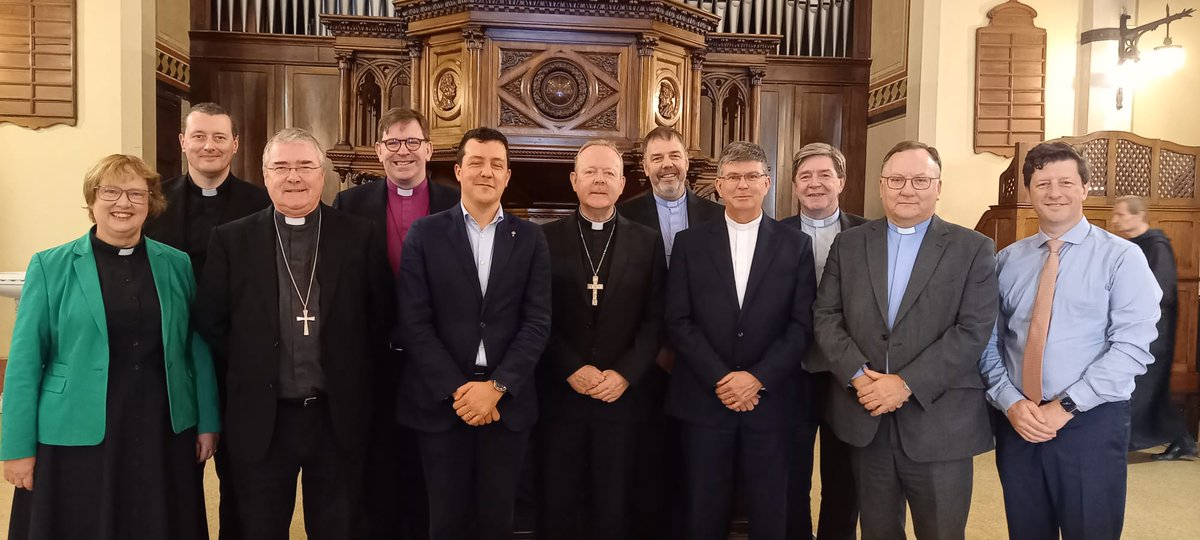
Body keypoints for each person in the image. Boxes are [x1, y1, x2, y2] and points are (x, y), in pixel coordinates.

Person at [1, 154, 221, 539]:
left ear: (151, 203)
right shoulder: (51, 266)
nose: (124, 203)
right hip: (75, 429)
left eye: (137, 194)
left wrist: (207, 422)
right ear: (92, 201)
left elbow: (194, 348)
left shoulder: (176, 264)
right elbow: (23, 362)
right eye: (112, 192)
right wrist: (16, 447)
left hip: (159, 424)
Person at [195, 127, 391, 539]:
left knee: (338, 527)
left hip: (335, 417)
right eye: (281, 167)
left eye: (305, 166)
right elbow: (213, 323)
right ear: (265, 175)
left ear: (323, 175)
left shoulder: (359, 236)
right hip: (263, 417)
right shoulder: (233, 240)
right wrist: (252, 364)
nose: (294, 177)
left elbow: (380, 320)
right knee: (258, 527)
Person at [816, 141, 997, 540]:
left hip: (940, 423)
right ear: (882, 186)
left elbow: (972, 331)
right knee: (878, 532)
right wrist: (860, 377)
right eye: (896, 179)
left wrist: (905, 383)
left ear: (938, 186)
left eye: (920, 179)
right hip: (866, 417)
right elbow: (826, 317)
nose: (907, 189)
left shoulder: (973, 248)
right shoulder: (849, 244)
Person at [981, 142, 1161, 540]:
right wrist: (1011, 404)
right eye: (1042, 183)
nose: (1054, 192)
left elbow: (1131, 347)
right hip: (1020, 423)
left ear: (1084, 188)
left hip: (1090, 422)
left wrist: (1065, 406)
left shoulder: (1122, 258)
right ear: (1029, 192)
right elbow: (987, 342)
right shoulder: (1007, 260)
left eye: (1065, 181)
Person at [395, 127, 552, 540]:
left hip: (506, 405)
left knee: (497, 522)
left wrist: (496, 387)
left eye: (496, 164)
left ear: (507, 176)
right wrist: (459, 391)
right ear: (459, 170)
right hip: (441, 404)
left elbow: (537, 322)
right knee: (444, 521)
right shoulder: (425, 234)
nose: (487, 172)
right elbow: (414, 322)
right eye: (478, 162)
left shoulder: (531, 238)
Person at [667, 141, 816, 539]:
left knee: (770, 509)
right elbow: (678, 320)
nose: (743, 185)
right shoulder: (689, 243)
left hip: (770, 399)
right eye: (733, 177)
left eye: (752, 176)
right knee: (703, 507)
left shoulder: (795, 245)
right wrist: (722, 378)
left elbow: (801, 325)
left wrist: (757, 378)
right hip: (704, 397)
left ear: (767, 183)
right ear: (718, 186)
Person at [142, 101, 269, 540]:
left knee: (243, 477)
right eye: (198, 136)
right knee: (176, 473)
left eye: (219, 137)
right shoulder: (153, 204)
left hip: (239, 361)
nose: (208, 146)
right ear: (182, 143)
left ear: (235, 144)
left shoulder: (261, 202)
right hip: (172, 359)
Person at [332, 107, 460, 539]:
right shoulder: (350, 204)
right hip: (376, 358)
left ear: (428, 148)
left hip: (438, 361)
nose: (402, 152)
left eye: (411, 142)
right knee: (378, 462)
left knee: (429, 466)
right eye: (392, 142)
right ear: (378, 150)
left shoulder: (455, 203)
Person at [537, 140, 665, 540]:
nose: (599, 180)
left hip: (622, 398)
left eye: (609, 173)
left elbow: (656, 318)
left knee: (616, 504)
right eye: (590, 172)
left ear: (623, 183)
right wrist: (570, 367)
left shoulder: (647, 241)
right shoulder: (544, 238)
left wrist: (625, 374)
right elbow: (537, 316)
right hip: (561, 396)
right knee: (558, 503)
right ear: (574, 180)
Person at [617, 125, 722, 539]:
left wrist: (695, 353)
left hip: (702, 363)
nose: (667, 166)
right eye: (657, 158)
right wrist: (654, 350)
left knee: (695, 463)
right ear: (644, 166)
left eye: (674, 156)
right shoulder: (624, 214)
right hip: (644, 361)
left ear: (687, 161)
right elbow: (626, 297)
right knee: (648, 460)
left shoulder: (718, 215)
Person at [777, 142, 864, 540]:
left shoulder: (869, 235)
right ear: (794, 186)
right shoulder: (772, 235)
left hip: (849, 373)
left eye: (824, 175)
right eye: (805, 177)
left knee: (844, 474)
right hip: (791, 373)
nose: (815, 184)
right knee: (791, 473)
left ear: (841, 181)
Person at [1112, 195, 1198, 460]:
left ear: (1138, 216)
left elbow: (1161, 292)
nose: (1115, 220)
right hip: (1134, 327)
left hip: (1154, 332)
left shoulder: (1156, 245)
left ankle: (1121, 442)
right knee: (1148, 392)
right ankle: (1182, 439)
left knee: (1145, 388)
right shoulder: (1132, 246)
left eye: (1121, 215)